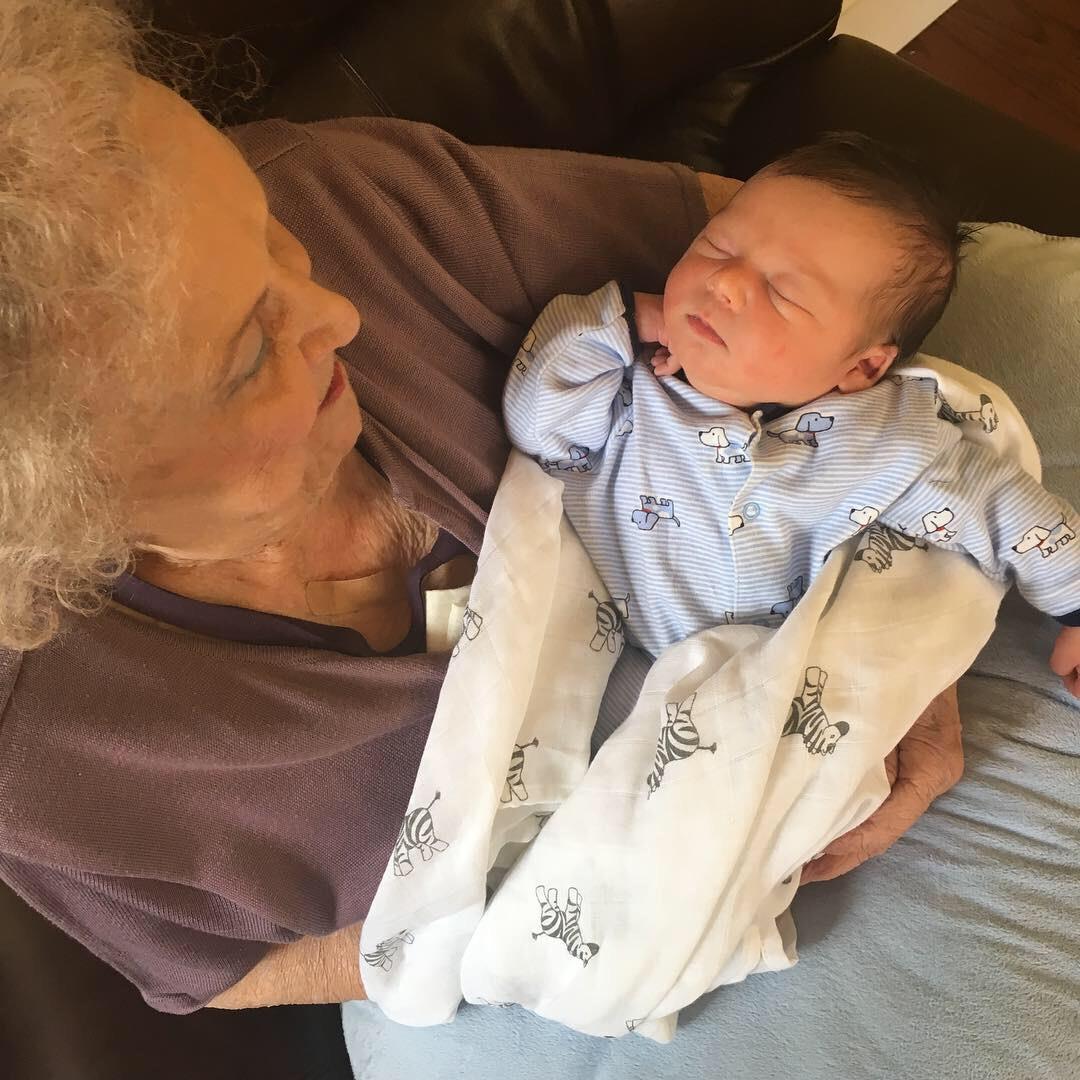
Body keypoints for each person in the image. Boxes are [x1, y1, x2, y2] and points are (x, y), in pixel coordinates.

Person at [0, 0, 966, 1016]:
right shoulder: (54, 760)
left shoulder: (344, 200)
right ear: (59, 506)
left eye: (268, 231)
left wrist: (882, 621)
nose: (337, 308)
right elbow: (223, 973)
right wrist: (522, 944)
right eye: (247, 355)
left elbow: (825, 254)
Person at [502, 134, 1080, 682]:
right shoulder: (630, 380)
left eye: (783, 293)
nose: (725, 282)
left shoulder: (885, 440)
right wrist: (626, 317)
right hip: (608, 654)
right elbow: (537, 428)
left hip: (770, 680)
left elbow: (1005, 509)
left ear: (861, 368)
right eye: (716, 246)